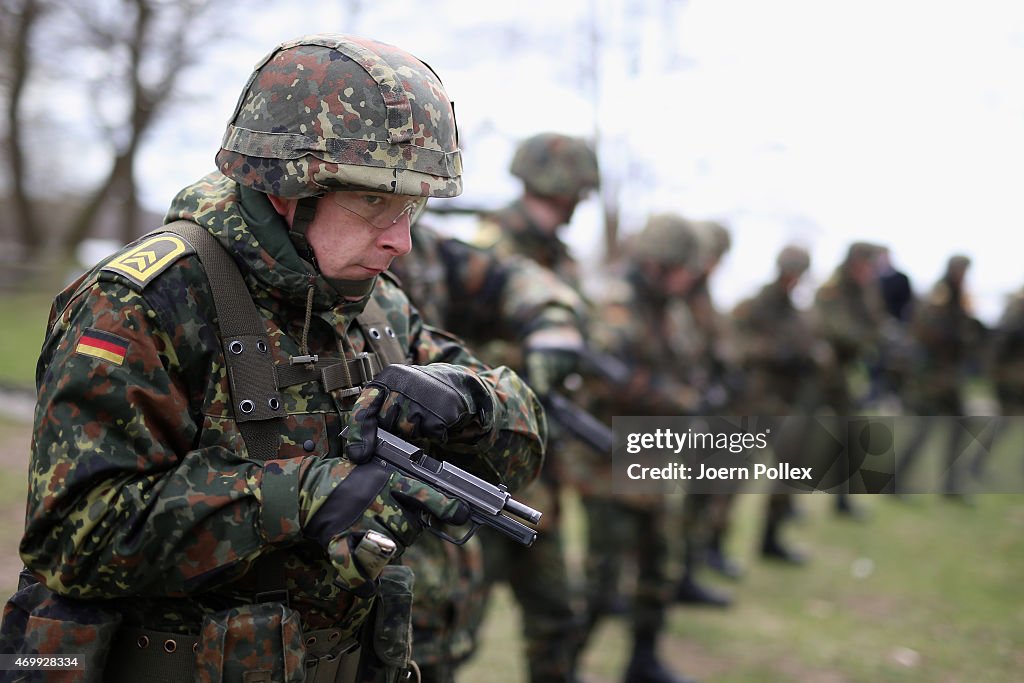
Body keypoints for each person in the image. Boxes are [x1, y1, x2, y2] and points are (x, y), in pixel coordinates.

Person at [3, 34, 546, 683]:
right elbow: (72, 537)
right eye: (375, 201)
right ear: (286, 186)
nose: (400, 239)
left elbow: (524, 445)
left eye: (414, 206)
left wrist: (470, 400)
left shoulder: (375, 308)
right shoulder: (143, 304)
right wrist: (302, 496)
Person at [389, 223, 588, 683]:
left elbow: (513, 278)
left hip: (457, 460)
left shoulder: (432, 249)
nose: (393, 235)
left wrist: (552, 322)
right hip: (396, 486)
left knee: (442, 638)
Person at [468, 131, 600, 683]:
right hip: (480, 470)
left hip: (541, 468)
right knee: (454, 623)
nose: (577, 207)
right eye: (575, 195)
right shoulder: (488, 249)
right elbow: (450, 348)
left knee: (557, 617)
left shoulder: (562, 260)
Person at [575, 213, 705, 683]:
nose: (691, 276)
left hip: (655, 455)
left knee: (660, 566)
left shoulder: (671, 306)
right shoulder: (618, 303)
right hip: (610, 461)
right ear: (660, 263)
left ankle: (643, 661)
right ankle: (564, 668)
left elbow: (685, 359)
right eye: (683, 267)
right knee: (602, 579)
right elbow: (605, 377)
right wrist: (677, 398)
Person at [732, 245, 823, 564]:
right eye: (791, 272)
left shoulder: (798, 313)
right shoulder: (756, 305)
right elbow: (735, 347)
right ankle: (710, 547)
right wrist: (772, 352)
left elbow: (809, 343)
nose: (793, 280)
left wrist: (810, 356)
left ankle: (771, 538)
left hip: (786, 403)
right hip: (755, 403)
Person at [895, 255, 984, 497]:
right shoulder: (940, 294)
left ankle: (952, 485)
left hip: (950, 376)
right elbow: (927, 330)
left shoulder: (960, 297)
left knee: (961, 425)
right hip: (932, 377)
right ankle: (896, 481)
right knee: (922, 429)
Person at [812, 241, 886, 515]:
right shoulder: (831, 289)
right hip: (822, 375)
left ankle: (842, 499)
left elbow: (876, 323)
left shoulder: (867, 290)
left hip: (848, 374)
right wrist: (867, 336)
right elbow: (837, 331)